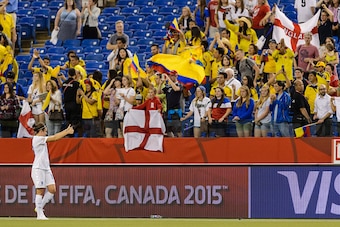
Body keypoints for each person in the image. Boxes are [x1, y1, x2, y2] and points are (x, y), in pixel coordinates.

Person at [31, 123, 74, 220]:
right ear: (41, 131)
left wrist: (66, 131)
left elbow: (54, 137)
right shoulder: (37, 139)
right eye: (45, 131)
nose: (46, 132)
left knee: (52, 189)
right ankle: (39, 214)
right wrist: (66, 131)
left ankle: (39, 207)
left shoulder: (41, 139)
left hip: (46, 168)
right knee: (40, 190)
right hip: (38, 168)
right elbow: (54, 138)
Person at [158, 70, 183, 137]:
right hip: (168, 110)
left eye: (172, 76)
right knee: (168, 130)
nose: (170, 77)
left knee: (178, 130)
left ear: (176, 76)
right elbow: (159, 92)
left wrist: (168, 79)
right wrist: (160, 83)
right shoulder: (168, 86)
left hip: (176, 110)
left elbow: (176, 89)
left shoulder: (179, 84)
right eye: (170, 75)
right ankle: (174, 142)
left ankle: (181, 144)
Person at [62, 68, 82, 137]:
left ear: (68, 74)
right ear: (75, 74)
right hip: (74, 105)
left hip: (66, 105)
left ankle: (68, 134)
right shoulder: (76, 83)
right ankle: (72, 135)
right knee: (75, 121)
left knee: (68, 121)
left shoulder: (64, 83)